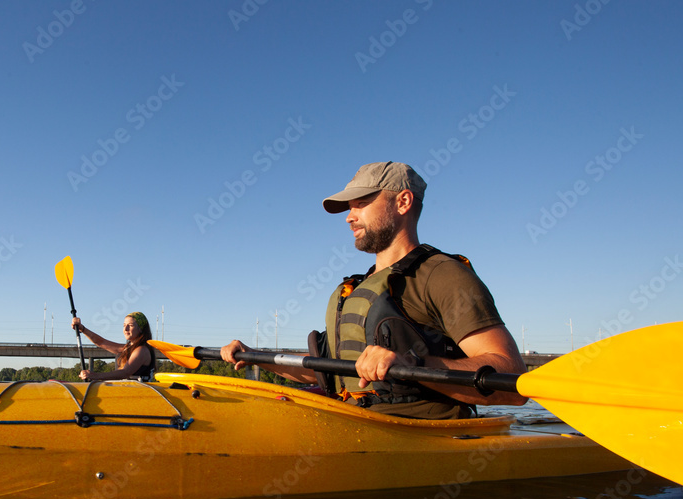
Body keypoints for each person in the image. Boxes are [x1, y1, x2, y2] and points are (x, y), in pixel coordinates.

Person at [221, 161, 527, 419]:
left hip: (422, 436)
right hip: (357, 421)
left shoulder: (442, 275)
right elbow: (327, 371)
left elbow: (512, 379)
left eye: (362, 203)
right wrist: (254, 356)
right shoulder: (357, 288)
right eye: (350, 206)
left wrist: (410, 364)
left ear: (403, 202)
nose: (350, 216)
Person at [71, 312, 156, 381]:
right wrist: (83, 329)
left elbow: (125, 373)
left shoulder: (142, 350)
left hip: (139, 396)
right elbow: (101, 342)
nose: (126, 329)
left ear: (141, 329)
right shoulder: (128, 348)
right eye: (124, 325)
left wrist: (95, 376)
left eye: (130, 325)